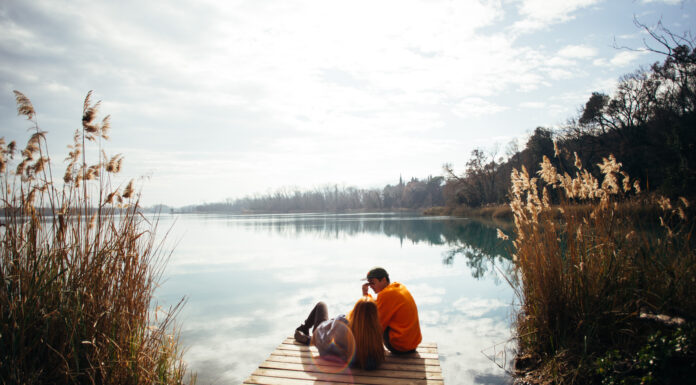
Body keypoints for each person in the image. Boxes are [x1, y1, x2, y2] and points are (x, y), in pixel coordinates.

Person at [294, 296, 385, 370]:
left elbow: (327, 341)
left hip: (324, 339)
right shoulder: (376, 333)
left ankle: (304, 329)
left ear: (356, 312)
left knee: (321, 304)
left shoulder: (344, 324)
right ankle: (308, 335)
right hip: (339, 346)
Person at [362, 267, 422, 354]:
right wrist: (365, 294)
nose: (370, 286)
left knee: (370, 323)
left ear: (383, 280)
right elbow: (378, 303)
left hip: (399, 347)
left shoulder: (385, 295)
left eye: (373, 283)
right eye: (369, 283)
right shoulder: (398, 287)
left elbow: (377, 325)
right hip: (413, 344)